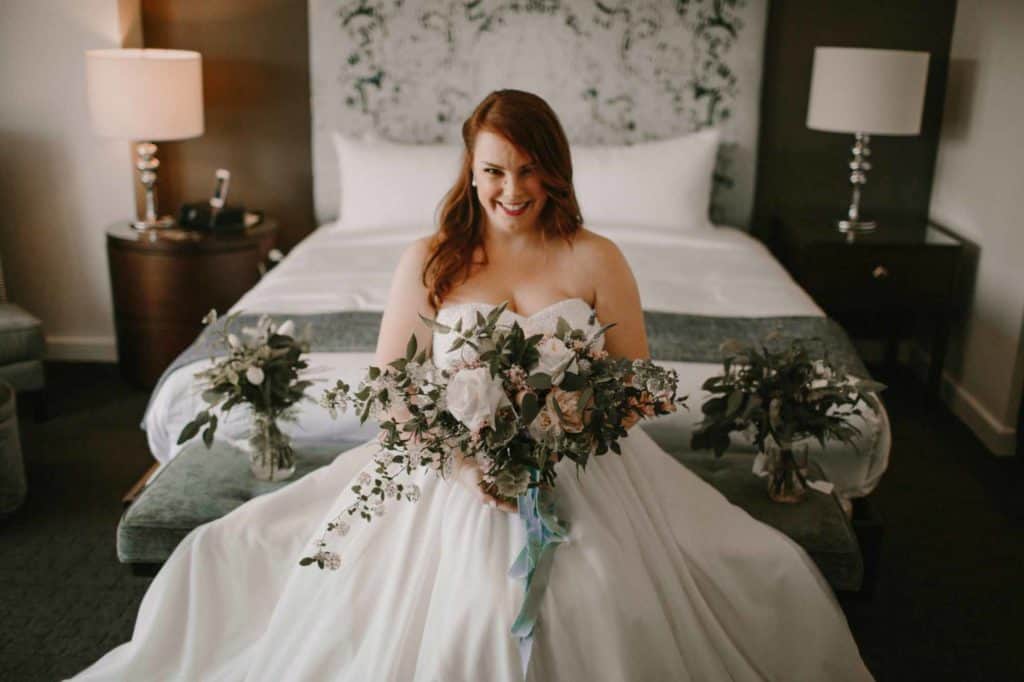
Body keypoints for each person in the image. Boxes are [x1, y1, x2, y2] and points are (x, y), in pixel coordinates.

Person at [73, 90, 873, 681]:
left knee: (617, 601)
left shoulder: (597, 257)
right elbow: (390, 385)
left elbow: (639, 380)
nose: (512, 189)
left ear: (554, 171)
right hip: (448, 473)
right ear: (471, 168)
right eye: (494, 170)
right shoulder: (431, 257)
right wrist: (464, 461)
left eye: (529, 169)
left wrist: (563, 435)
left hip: (583, 468)